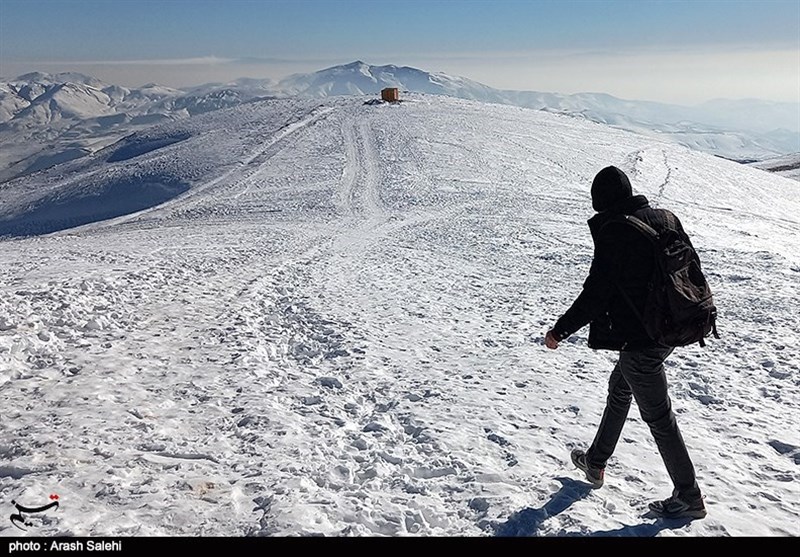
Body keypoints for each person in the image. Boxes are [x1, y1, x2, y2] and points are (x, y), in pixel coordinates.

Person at [544, 165, 706, 520]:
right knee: (620, 386)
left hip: (642, 341)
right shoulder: (663, 218)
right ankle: (596, 461)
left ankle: (689, 496)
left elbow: (595, 295)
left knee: (658, 416)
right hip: (673, 328)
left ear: (600, 202)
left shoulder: (616, 231)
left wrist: (559, 331)